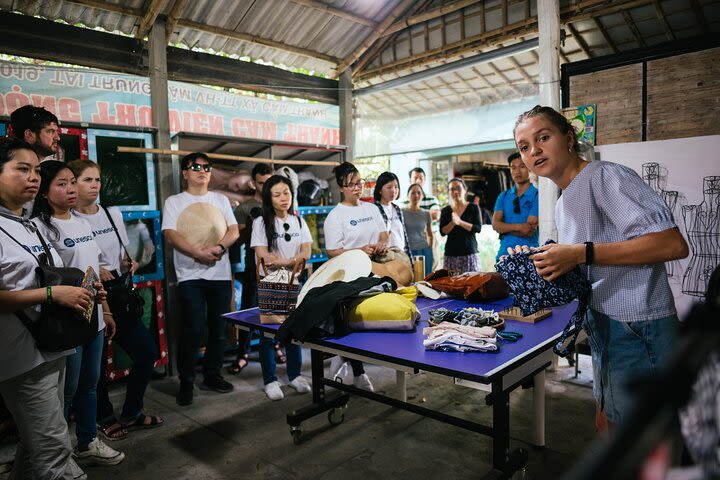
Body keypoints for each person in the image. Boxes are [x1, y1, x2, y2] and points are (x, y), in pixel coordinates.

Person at [512, 105, 689, 430]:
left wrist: (579, 254)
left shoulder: (605, 176)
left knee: (643, 441)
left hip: (638, 326)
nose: (534, 150)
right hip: (604, 324)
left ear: (567, 138)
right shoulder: (566, 201)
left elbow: (671, 244)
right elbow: (588, 263)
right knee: (609, 425)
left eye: (543, 137)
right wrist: (549, 261)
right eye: (524, 147)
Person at [0, 138, 96, 480]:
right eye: (21, 169)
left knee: (35, 444)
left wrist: (81, 288)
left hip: (50, 345)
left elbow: (40, 276)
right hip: (20, 356)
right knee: (54, 449)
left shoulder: (25, 223)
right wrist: (53, 293)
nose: (33, 177)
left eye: (37, 170)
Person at [32, 160, 125, 467]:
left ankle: (86, 442)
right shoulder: (41, 229)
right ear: (44, 192)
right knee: (66, 392)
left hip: (93, 320)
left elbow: (93, 273)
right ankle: (58, 456)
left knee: (89, 385)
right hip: (65, 324)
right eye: (61, 184)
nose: (71, 189)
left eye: (73, 182)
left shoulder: (82, 223)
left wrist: (107, 311)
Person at [68, 159, 163, 441]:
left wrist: (128, 261)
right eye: (87, 180)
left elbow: (120, 250)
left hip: (119, 297)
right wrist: (96, 269)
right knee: (94, 372)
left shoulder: (112, 214)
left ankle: (132, 411)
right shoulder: (69, 220)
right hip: (90, 299)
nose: (94, 185)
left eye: (97, 179)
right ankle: (104, 418)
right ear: (73, 183)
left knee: (146, 353)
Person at [162, 152, 239, 406]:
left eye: (207, 167)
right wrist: (196, 252)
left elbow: (234, 230)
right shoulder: (174, 201)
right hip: (189, 275)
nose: (202, 170)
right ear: (185, 173)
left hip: (219, 273)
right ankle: (186, 380)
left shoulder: (220, 199)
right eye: (195, 166)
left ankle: (212, 374)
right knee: (193, 329)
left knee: (219, 329)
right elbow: (171, 234)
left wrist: (219, 248)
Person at [323, 162, 389, 392]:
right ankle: (358, 372)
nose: (357, 188)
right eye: (351, 184)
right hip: (350, 276)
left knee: (367, 322)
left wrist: (381, 243)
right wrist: (359, 250)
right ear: (341, 187)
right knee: (353, 323)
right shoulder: (335, 216)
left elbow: (383, 232)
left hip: (376, 270)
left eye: (359, 183)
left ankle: (342, 358)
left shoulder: (371, 209)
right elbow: (332, 251)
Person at [250, 175, 313, 400]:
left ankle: (294, 375)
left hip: (296, 283)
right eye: (277, 195)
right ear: (269, 198)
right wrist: (292, 260)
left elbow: (307, 252)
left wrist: (286, 261)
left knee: (294, 332)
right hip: (272, 284)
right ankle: (270, 380)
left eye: (286, 193)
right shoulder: (260, 222)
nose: (283, 198)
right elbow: (264, 257)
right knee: (269, 336)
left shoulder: (299, 221)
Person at [227, 162, 286, 375]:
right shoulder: (244, 208)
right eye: (262, 183)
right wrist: (251, 228)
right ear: (254, 183)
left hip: (278, 267)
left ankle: (276, 346)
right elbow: (236, 239)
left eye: (269, 181)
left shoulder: (280, 204)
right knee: (249, 311)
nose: (266, 186)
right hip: (253, 268)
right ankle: (242, 353)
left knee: (275, 311)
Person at [491, 152, 539, 261]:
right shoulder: (503, 196)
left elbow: (528, 231)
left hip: (529, 254)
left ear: (530, 168)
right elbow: (495, 225)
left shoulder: (537, 195)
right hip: (503, 255)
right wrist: (519, 227)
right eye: (513, 167)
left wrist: (503, 228)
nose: (517, 171)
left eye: (522, 166)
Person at [439, 178, 482, 272]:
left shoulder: (473, 207)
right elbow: (442, 232)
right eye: (452, 189)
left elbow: (478, 228)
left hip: (470, 253)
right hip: (451, 255)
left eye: (458, 188)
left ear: (465, 190)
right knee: (451, 285)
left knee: (473, 284)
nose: (455, 192)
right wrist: (452, 223)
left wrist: (460, 222)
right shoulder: (445, 210)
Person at [373, 171, 412, 260]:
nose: (393, 190)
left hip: (401, 255)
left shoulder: (397, 208)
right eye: (389, 187)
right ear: (379, 190)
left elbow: (403, 236)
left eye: (396, 187)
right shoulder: (374, 209)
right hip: (385, 258)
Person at [403, 184, 434, 277]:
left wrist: (430, 249)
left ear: (422, 196)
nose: (416, 195)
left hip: (424, 251)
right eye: (413, 193)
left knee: (425, 281)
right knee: (409, 280)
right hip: (407, 252)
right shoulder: (401, 212)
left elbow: (430, 234)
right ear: (408, 195)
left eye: (418, 193)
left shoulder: (426, 213)